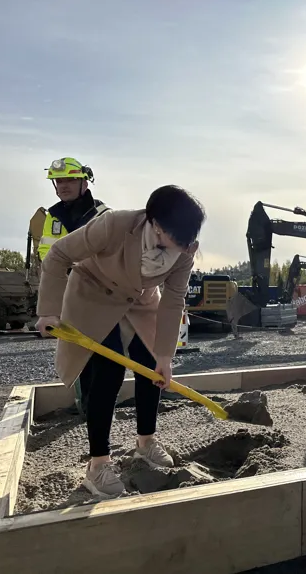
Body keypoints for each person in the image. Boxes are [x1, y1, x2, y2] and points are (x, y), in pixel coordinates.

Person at [35, 185, 206, 497]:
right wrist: (49, 311)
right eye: (177, 239)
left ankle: (146, 443)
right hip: (93, 295)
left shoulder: (184, 251)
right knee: (108, 370)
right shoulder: (115, 225)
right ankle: (98, 465)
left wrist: (165, 356)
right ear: (156, 224)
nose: (184, 247)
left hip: (139, 301)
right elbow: (59, 255)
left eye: (187, 241)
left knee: (151, 368)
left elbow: (173, 301)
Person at [38, 157, 109, 417]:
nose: (63, 185)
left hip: (99, 295)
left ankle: (98, 406)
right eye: (59, 181)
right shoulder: (53, 216)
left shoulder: (102, 214)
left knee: (103, 353)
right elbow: (47, 254)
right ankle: (86, 405)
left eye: (69, 179)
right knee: (75, 353)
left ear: (84, 181)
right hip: (69, 295)